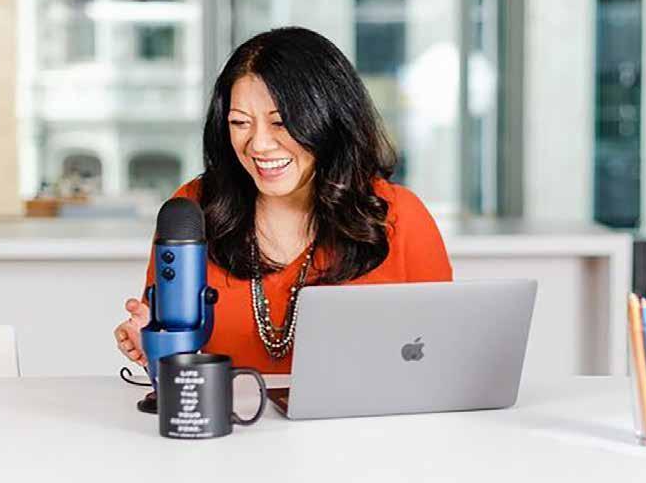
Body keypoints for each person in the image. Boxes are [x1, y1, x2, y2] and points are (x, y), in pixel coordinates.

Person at [115, 26, 452, 375]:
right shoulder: (192, 210)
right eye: (240, 122)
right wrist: (154, 346)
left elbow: (442, 356)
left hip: (364, 412)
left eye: (280, 123)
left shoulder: (399, 215)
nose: (259, 144)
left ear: (329, 120)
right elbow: (173, 357)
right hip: (236, 411)